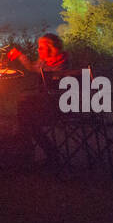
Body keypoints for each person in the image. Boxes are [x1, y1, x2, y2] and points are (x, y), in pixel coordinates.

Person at [7, 33, 69, 168]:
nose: (38, 50)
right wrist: (20, 55)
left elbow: (56, 92)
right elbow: (31, 67)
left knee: (25, 117)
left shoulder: (62, 65)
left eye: (41, 47)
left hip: (59, 108)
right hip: (46, 105)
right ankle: (35, 154)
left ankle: (28, 155)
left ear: (51, 48)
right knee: (25, 113)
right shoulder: (44, 62)